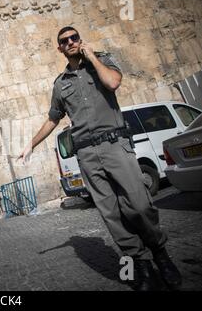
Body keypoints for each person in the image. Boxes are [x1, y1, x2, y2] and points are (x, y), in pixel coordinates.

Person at [18, 26, 182, 291]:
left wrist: (92, 57)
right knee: (112, 215)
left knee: (139, 206)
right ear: (59, 48)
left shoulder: (103, 61)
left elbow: (113, 83)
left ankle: (160, 253)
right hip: (87, 155)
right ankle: (139, 264)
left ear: (79, 40)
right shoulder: (60, 84)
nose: (70, 42)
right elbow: (53, 119)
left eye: (74, 38)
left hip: (115, 145)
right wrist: (31, 144)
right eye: (64, 41)